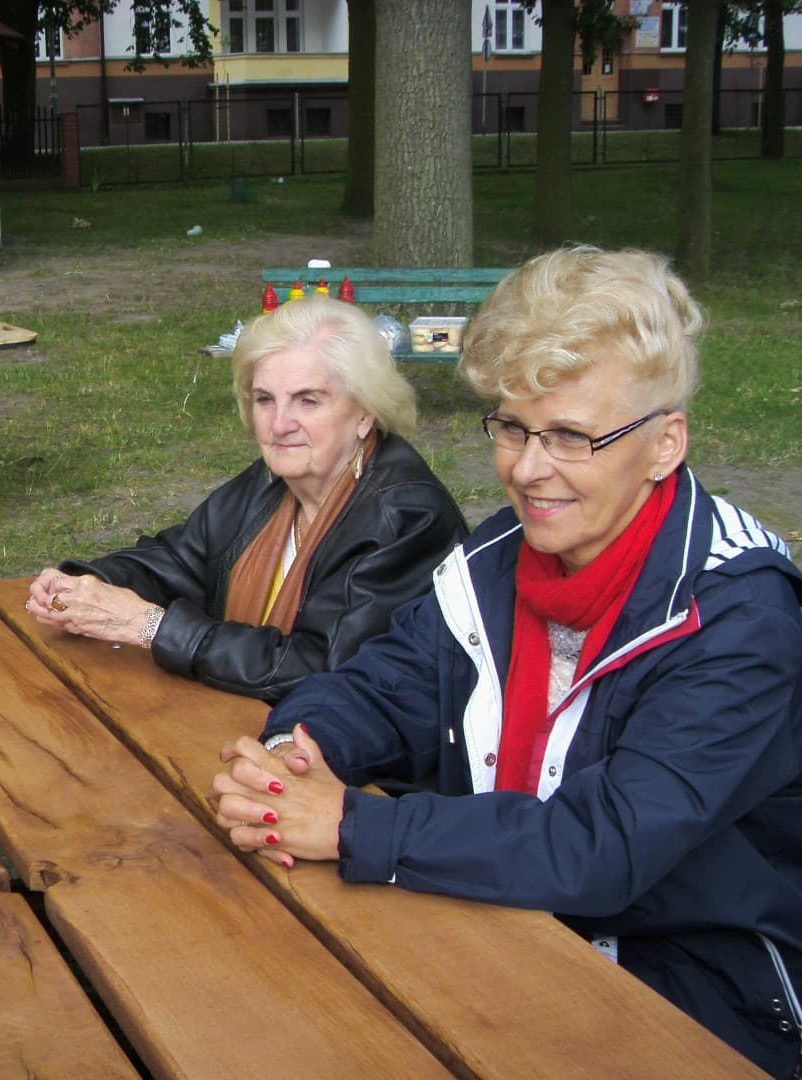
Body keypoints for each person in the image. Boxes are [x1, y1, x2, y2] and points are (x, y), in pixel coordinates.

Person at [211, 247, 802, 1076]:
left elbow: (607, 845)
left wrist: (350, 825)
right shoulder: (499, 556)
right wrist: (292, 757)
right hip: (499, 918)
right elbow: (385, 685)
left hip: (695, 985)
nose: (527, 470)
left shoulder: (738, 614)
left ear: (665, 444)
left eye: (571, 437)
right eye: (514, 428)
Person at [26, 294, 467, 702]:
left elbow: (321, 668)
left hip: (355, 754)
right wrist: (87, 586)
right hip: (244, 719)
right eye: (264, 399)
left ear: (365, 413)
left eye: (308, 401)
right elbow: (182, 559)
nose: (279, 425)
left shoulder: (406, 516)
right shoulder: (276, 481)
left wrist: (147, 625)